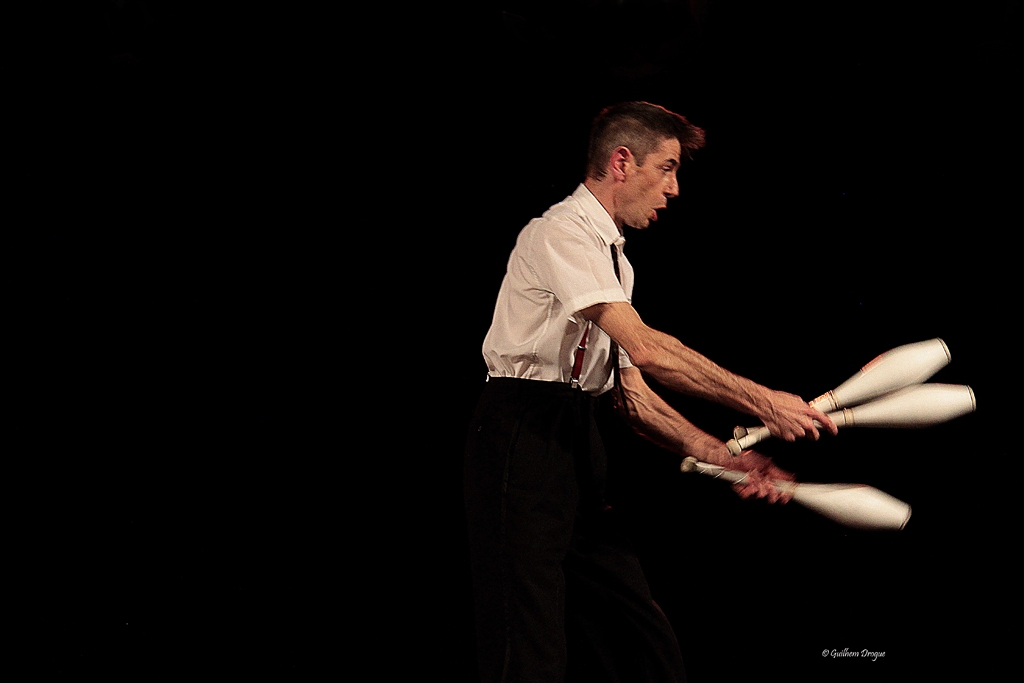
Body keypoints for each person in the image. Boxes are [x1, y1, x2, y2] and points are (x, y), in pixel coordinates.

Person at [463, 101, 838, 683]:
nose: (675, 188)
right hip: (523, 432)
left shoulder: (616, 262)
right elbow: (647, 349)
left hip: (575, 435)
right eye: (667, 167)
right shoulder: (559, 233)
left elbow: (628, 393)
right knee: (528, 644)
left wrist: (728, 456)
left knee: (642, 639)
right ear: (621, 161)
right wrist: (764, 401)